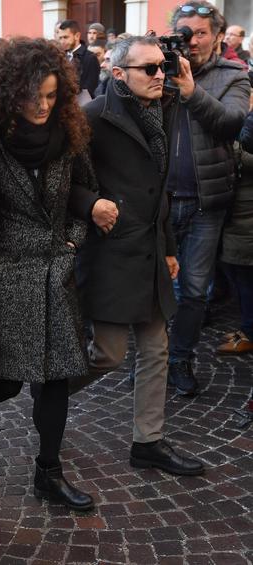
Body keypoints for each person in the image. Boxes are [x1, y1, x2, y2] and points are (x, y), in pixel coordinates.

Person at [72, 35, 205, 476]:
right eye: (148, 69)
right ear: (118, 74)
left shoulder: (163, 109)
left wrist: (167, 246)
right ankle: (54, 390)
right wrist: (91, 203)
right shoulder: (90, 117)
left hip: (149, 249)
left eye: (161, 66)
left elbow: (157, 189)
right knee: (107, 355)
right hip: (111, 253)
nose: (159, 75)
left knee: (156, 348)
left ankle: (148, 442)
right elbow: (63, 183)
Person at [0, 37, 95, 511]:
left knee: (56, 377)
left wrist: (74, 238)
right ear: (8, 94)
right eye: (31, 96)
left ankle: (50, 470)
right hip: (5, 272)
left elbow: (86, 187)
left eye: (49, 94)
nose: (41, 106)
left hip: (55, 268)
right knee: (5, 380)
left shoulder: (69, 130)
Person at [165, 1, 250, 395]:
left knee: (196, 291)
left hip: (205, 202)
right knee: (155, 288)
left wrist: (190, 91)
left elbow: (232, 123)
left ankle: (180, 359)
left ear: (218, 36)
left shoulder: (234, 75)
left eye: (201, 33)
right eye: (186, 32)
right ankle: (153, 360)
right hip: (159, 201)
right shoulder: (156, 66)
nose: (192, 40)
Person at [217, 110, 253, 354]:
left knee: (244, 277)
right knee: (237, 273)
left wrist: (235, 150)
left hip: (246, 217)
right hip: (239, 212)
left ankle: (250, 332)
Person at [57, 19, 101, 100]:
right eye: (60, 38)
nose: (62, 41)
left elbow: (90, 89)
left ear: (77, 36)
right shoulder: (59, 56)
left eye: (65, 37)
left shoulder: (90, 58)